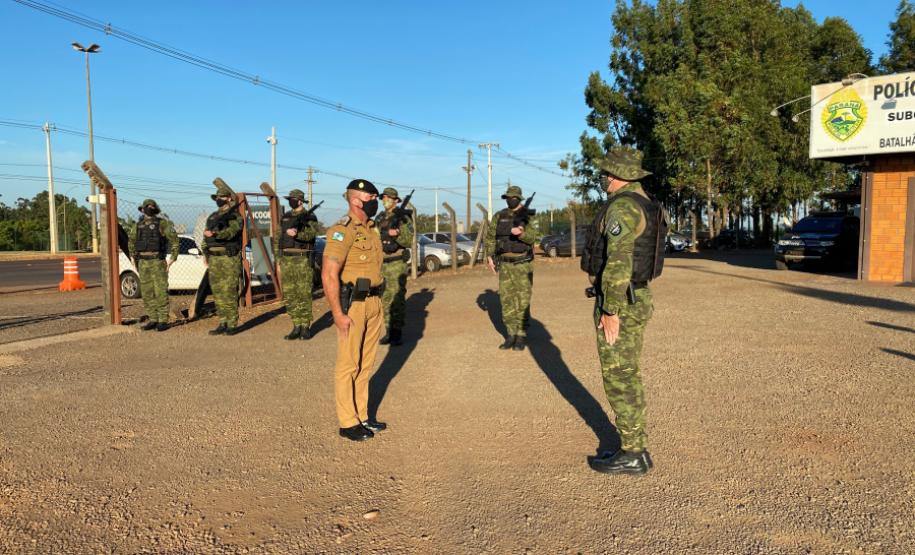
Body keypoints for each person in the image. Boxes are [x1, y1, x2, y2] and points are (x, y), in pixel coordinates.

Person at [588, 147, 660, 476]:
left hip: (622, 301)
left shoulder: (623, 207)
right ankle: (635, 448)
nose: (605, 177)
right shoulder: (646, 202)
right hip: (636, 297)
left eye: (608, 172)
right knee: (627, 374)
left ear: (621, 175)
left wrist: (609, 309)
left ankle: (632, 453)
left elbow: (619, 261)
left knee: (619, 377)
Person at [321, 179, 388, 441]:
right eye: (371, 198)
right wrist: (338, 314)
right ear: (355, 200)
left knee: (365, 364)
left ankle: (362, 415)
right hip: (354, 306)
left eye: (376, 198)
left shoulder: (371, 229)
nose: (375, 202)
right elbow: (329, 275)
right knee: (348, 364)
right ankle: (347, 422)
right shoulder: (342, 229)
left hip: (374, 302)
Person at [484, 185, 538, 351]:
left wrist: (522, 234)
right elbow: (491, 236)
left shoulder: (528, 215)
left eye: (514, 198)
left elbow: (533, 237)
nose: (511, 200)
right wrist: (489, 255)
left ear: (519, 199)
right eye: (508, 197)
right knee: (506, 301)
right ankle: (510, 335)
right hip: (505, 264)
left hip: (523, 264)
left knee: (523, 301)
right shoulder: (499, 216)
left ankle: (521, 335)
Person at [127, 199, 179, 331]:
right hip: (143, 263)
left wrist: (172, 259)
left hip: (158, 262)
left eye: (152, 206)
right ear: (142, 209)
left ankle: (163, 321)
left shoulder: (163, 224)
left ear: (155, 209)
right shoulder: (137, 226)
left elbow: (175, 241)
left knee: (160, 291)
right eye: (147, 207)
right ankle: (153, 319)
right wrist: (133, 258)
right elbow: (131, 242)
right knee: (147, 293)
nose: (149, 208)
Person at [274, 189, 319, 340]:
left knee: (303, 293)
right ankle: (296, 325)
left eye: (294, 199)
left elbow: (311, 235)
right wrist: (278, 260)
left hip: (302, 259)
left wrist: (298, 234)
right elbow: (278, 239)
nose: (291, 201)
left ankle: (305, 327)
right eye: (290, 199)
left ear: (300, 201)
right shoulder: (285, 217)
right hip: (286, 260)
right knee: (290, 294)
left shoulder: (310, 216)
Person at [374, 187, 414, 346]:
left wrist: (397, 235)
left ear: (396, 200)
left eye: (389, 198)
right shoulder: (379, 217)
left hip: (397, 263)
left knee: (397, 298)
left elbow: (409, 241)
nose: (386, 200)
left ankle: (397, 333)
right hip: (382, 263)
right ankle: (389, 331)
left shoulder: (404, 218)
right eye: (384, 198)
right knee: (385, 298)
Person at [202, 187, 244, 336]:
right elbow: (205, 237)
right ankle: (222, 322)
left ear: (228, 199)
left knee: (229, 291)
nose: (219, 199)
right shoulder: (212, 217)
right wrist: (205, 253)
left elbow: (232, 232)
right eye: (217, 197)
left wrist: (216, 233)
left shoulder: (235, 216)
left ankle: (232, 324)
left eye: (222, 197)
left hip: (229, 258)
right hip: (214, 258)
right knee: (217, 291)